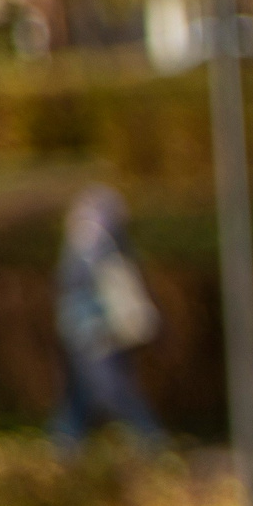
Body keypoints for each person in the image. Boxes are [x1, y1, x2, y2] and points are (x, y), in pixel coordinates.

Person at [49, 186, 165, 450]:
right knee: (81, 392)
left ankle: (149, 439)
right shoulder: (93, 243)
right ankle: (65, 442)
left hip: (97, 332)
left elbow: (78, 286)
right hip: (85, 331)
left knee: (108, 389)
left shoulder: (93, 244)